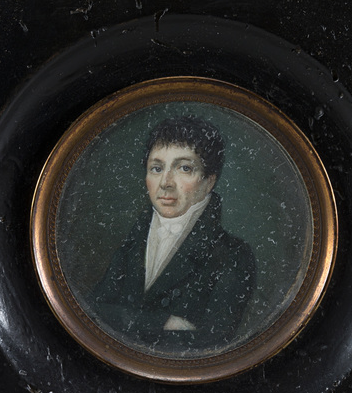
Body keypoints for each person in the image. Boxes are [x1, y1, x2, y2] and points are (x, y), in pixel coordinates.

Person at [90, 115, 256, 352]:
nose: (166, 183)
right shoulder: (135, 239)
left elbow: (210, 346)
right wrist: (160, 322)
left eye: (184, 168)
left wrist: (128, 323)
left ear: (209, 181)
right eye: (156, 168)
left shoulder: (234, 255)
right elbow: (92, 312)